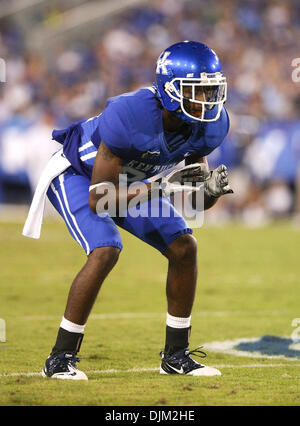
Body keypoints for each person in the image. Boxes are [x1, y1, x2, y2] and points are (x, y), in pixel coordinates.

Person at [24, 41, 233, 380]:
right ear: (169, 90)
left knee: (184, 247)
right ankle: (60, 357)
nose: (207, 101)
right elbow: (100, 199)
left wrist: (209, 192)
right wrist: (164, 187)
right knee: (106, 249)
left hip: (133, 181)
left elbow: (196, 197)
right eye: (197, 91)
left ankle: (176, 356)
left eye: (212, 90)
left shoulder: (209, 125)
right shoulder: (130, 113)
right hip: (80, 175)